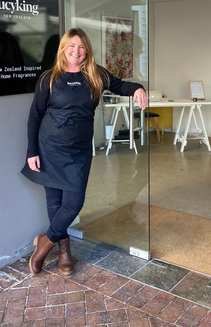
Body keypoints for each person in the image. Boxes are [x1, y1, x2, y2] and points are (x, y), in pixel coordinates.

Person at [21, 28, 147, 276]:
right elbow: (35, 115)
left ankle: (45, 243)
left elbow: (122, 86)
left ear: (86, 50)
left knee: (73, 203)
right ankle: (65, 251)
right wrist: (32, 151)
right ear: (63, 49)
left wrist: (138, 88)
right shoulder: (49, 78)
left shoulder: (96, 75)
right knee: (55, 202)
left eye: (81, 47)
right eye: (71, 46)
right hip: (49, 147)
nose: (76, 51)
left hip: (78, 151)